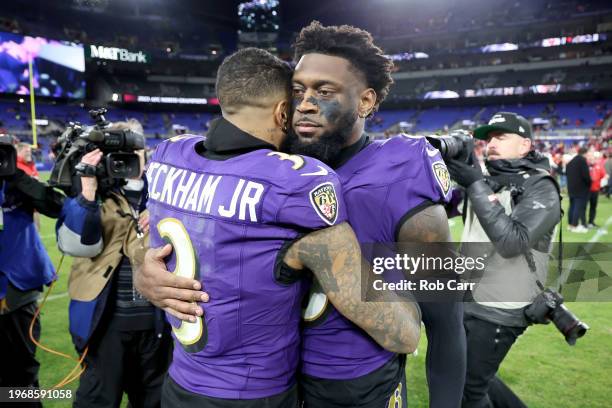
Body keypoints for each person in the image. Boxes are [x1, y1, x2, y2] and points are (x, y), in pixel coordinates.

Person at [137, 24, 465, 408]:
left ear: (365, 101)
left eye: (324, 92)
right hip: (271, 383)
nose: (305, 103)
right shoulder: (258, 165)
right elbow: (166, 237)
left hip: (353, 386)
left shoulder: (402, 174)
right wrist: (146, 271)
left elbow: (447, 323)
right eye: (297, 91)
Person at [445, 111, 562, 407]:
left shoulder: (541, 186)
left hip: (502, 306)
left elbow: (512, 242)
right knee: (474, 377)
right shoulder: (489, 181)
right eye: (488, 138)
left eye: (501, 136)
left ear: (524, 145)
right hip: (470, 294)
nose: (491, 143)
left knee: (467, 391)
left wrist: (475, 184)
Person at [55, 120, 172, 408]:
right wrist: (88, 192)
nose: (125, 161)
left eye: (133, 152)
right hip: (105, 325)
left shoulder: (167, 194)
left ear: (144, 152)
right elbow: (77, 245)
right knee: (97, 400)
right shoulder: (90, 194)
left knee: (154, 401)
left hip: (157, 323)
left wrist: (158, 210)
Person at [0, 136, 64, 406]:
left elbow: (56, 206)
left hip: (17, 289)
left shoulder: (16, 182)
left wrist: (16, 177)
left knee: (21, 373)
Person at [566, 147, 591, 233]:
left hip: (571, 187)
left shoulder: (571, 161)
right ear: (585, 153)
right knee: (577, 206)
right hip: (580, 188)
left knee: (572, 206)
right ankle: (574, 225)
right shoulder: (582, 160)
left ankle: (570, 225)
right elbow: (586, 176)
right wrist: (589, 183)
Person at [587, 150, 606, 228]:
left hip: (595, 190)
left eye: (593, 158)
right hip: (586, 190)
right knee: (583, 207)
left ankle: (591, 222)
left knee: (593, 207)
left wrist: (600, 182)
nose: (592, 160)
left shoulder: (599, 166)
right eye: (590, 158)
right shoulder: (586, 166)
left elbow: (604, 175)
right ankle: (583, 223)